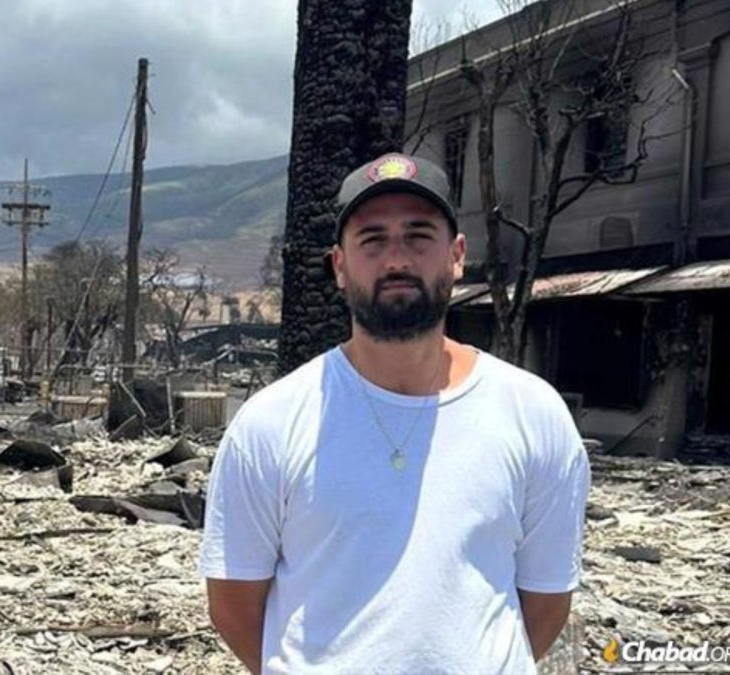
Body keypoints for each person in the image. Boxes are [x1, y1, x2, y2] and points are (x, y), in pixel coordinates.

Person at [199, 153, 590, 674]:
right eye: (373, 239)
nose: (396, 260)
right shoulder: (271, 422)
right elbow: (234, 605)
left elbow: (544, 604)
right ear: (340, 266)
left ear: (455, 255)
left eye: (418, 236)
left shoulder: (533, 413)